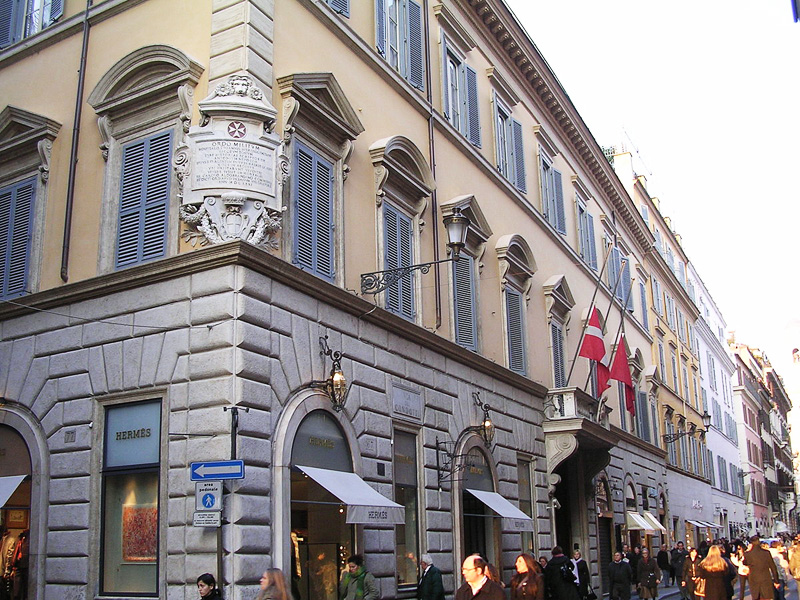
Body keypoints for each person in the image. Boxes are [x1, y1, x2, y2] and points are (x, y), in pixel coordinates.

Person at [742, 536, 779, 600]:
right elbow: (773, 567)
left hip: (753, 578)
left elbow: (744, 562)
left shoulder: (748, 554)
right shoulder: (766, 553)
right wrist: (776, 580)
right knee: (767, 597)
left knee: (756, 597)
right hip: (765, 578)